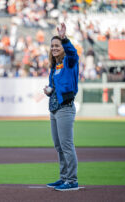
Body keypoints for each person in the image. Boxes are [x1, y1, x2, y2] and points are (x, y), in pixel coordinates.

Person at [43, 23, 79, 191]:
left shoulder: (70, 62)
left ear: (63, 48)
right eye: (52, 46)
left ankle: (72, 180)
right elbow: (54, 88)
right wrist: (49, 90)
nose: (54, 48)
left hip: (65, 108)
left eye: (57, 45)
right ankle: (64, 177)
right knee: (59, 146)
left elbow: (73, 53)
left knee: (66, 145)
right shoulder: (54, 67)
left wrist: (64, 38)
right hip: (55, 109)